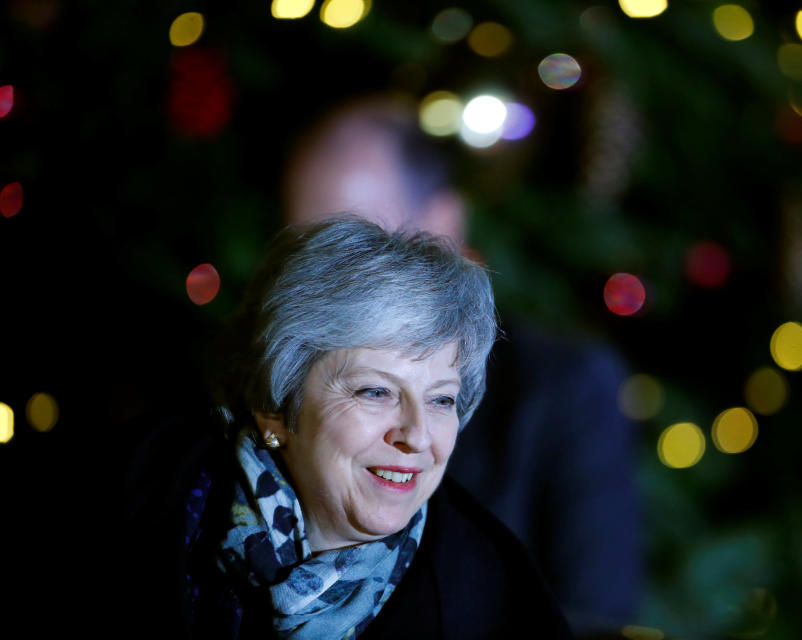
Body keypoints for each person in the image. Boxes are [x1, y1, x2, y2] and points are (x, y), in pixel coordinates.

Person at [282, 95, 641, 633]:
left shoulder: (563, 385)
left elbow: (594, 616)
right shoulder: (258, 390)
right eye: (302, 253)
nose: (321, 287)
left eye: (357, 250)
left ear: (444, 224)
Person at [118, 217, 572, 639]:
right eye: (376, 392)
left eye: (441, 399)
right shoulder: (132, 492)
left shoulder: (496, 603)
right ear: (275, 406)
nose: (416, 436)